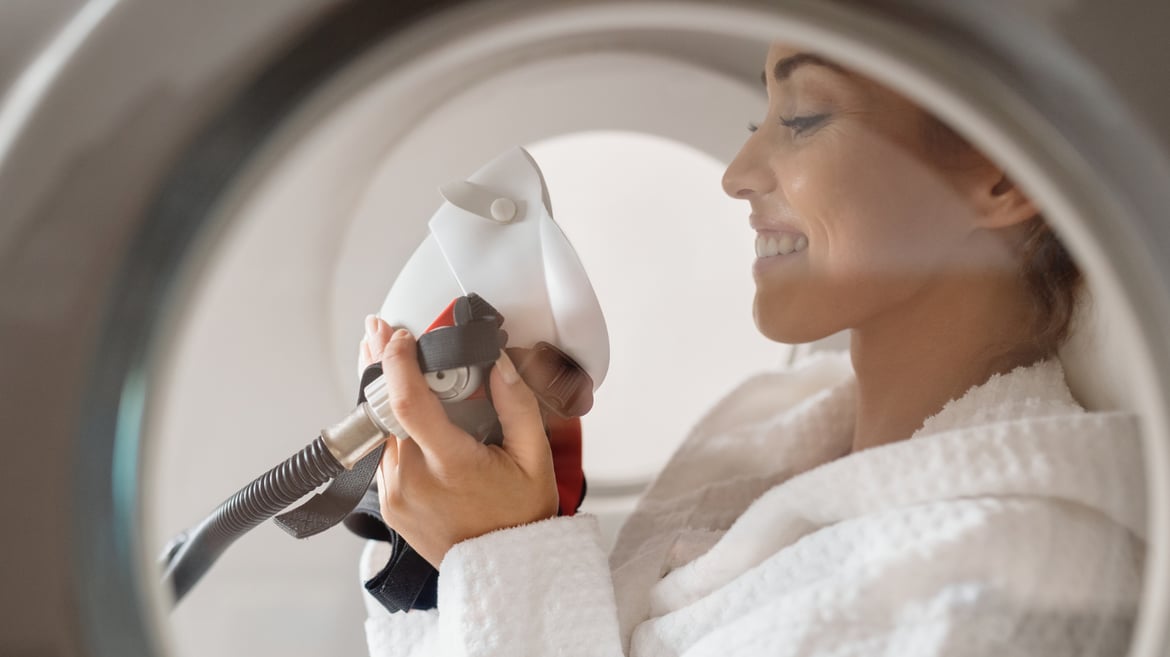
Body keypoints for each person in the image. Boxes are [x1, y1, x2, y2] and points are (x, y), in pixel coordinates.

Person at [355, 43, 1145, 656]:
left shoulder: (1013, 580)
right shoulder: (771, 457)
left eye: (801, 120)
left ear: (1000, 177)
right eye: (753, 122)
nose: (737, 174)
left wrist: (503, 556)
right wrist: (463, 543)